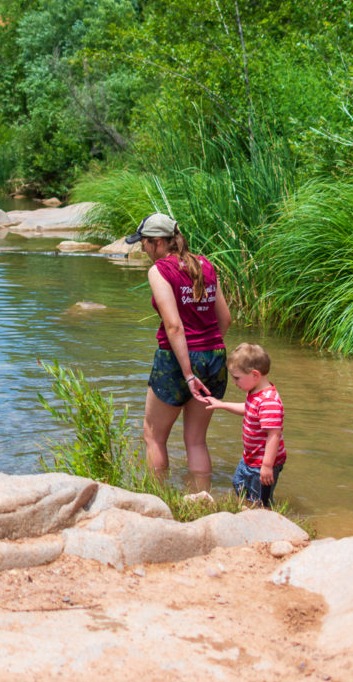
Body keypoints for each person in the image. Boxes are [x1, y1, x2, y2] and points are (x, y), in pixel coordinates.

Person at [126, 212, 231, 492]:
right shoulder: (206, 265)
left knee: (153, 436)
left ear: (158, 242)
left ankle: (157, 499)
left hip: (177, 363)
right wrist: (207, 350)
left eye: (144, 243)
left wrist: (187, 373)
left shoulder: (160, 270)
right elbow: (226, 320)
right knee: (196, 440)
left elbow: (173, 326)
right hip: (214, 356)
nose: (143, 249)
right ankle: (203, 497)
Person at [199, 343, 287, 507]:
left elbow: (274, 435)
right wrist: (221, 404)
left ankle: (264, 520)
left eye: (236, 377)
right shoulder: (255, 392)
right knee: (239, 485)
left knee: (260, 500)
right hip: (250, 457)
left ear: (255, 374)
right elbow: (248, 409)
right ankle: (245, 510)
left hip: (262, 462)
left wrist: (267, 466)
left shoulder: (269, 402)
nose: (234, 382)